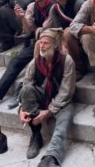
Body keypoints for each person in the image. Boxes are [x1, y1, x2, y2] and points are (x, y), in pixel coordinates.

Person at [17, 27, 76, 166]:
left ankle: (51, 157)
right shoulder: (35, 62)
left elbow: (66, 92)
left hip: (62, 101)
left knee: (64, 120)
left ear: (55, 45)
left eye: (46, 43)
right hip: (42, 96)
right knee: (26, 90)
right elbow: (26, 86)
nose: (42, 46)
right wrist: (21, 109)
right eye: (41, 43)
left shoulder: (67, 61)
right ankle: (36, 135)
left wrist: (49, 111)